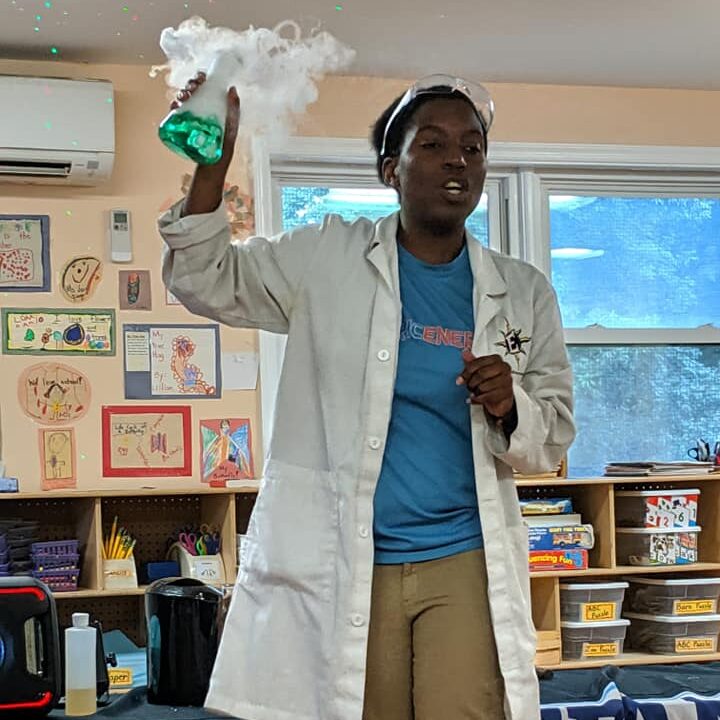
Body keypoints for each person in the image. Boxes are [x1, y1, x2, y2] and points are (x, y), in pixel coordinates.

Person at [159, 72, 575, 720]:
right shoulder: (327, 256)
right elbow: (206, 278)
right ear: (390, 169)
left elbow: (552, 438)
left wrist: (511, 404)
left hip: (463, 557)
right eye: (432, 144)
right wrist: (213, 164)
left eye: (472, 147)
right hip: (347, 558)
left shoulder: (522, 291)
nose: (457, 161)